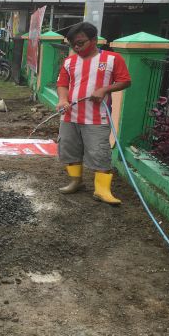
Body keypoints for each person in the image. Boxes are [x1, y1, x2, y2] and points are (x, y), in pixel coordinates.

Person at [56, 22, 131, 204]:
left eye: (80, 42)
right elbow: (62, 84)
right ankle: (76, 181)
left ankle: (102, 190)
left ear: (94, 40)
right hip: (70, 115)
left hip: (97, 118)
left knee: (99, 152)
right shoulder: (69, 62)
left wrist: (105, 89)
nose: (76, 46)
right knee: (69, 148)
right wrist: (62, 100)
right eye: (73, 43)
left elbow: (125, 81)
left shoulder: (113, 59)